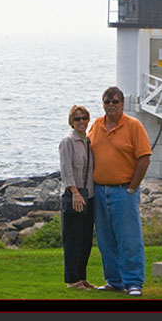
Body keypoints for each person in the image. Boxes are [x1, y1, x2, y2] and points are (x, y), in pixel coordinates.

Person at [88, 86, 151, 297]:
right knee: (105, 240)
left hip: (124, 191)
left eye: (115, 101)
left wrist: (132, 187)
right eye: (107, 101)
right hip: (99, 192)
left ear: (122, 103)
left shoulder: (134, 126)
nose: (111, 105)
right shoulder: (96, 125)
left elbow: (144, 158)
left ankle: (133, 282)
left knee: (129, 239)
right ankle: (114, 281)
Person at [59, 105, 96, 290]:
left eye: (84, 118)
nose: (81, 122)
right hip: (74, 194)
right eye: (77, 119)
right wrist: (74, 192)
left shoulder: (88, 141)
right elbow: (66, 170)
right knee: (73, 239)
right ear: (71, 122)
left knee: (85, 239)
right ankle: (72, 280)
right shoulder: (68, 142)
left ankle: (81, 277)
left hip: (88, 195)